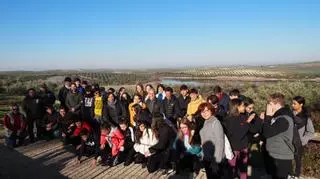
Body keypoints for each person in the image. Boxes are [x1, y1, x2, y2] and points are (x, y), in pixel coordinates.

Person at [262, 93, 295, 179]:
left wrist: (268, 117)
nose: (268, 106)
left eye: (270, 104)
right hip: (275, 154)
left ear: (277, 104)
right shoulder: (278, 116)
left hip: (281, 157)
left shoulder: (284, 118)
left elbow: (267, 133)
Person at [223, 99, 257, 179]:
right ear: (236, 107)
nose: (244, 107)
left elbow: (252, 129)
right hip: (233, 148)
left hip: (243, 147)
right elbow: (238, 135)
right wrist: (247, 122)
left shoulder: (243, 116)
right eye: (242, 105)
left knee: (243, 168)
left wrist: (256, 120)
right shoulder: (229, 119)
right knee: (232, 169)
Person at [290, 96, 315, 179]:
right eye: (292, 103)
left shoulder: (306, 117)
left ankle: (296, 175)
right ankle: (289, 174)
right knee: (287, 160)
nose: (292, 105)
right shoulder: (289, 114)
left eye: (294, 103)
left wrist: (302, 140)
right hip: (287, 142)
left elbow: (311, 132)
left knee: (297, 160)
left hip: (298, 143)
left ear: (301, 104)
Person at [198, 102, 225, 178]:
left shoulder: (215, 123)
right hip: (208, 158)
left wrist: (216, 162)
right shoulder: (206, 121)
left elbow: (220, 143)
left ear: (211, 111)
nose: (204, 113)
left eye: (207, 111)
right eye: (202, 111)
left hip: (214, 159)